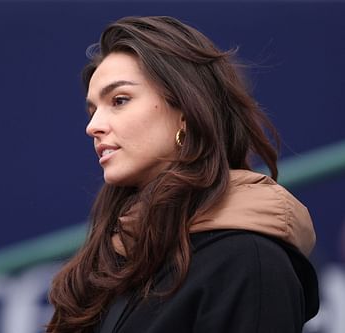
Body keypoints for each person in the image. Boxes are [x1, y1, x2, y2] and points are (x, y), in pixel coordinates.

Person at [47, 16, 319, 333]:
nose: (92, 127)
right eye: (93, 110)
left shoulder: (249, 261)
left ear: (187, 112)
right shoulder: (115, 261)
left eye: (119, 100)